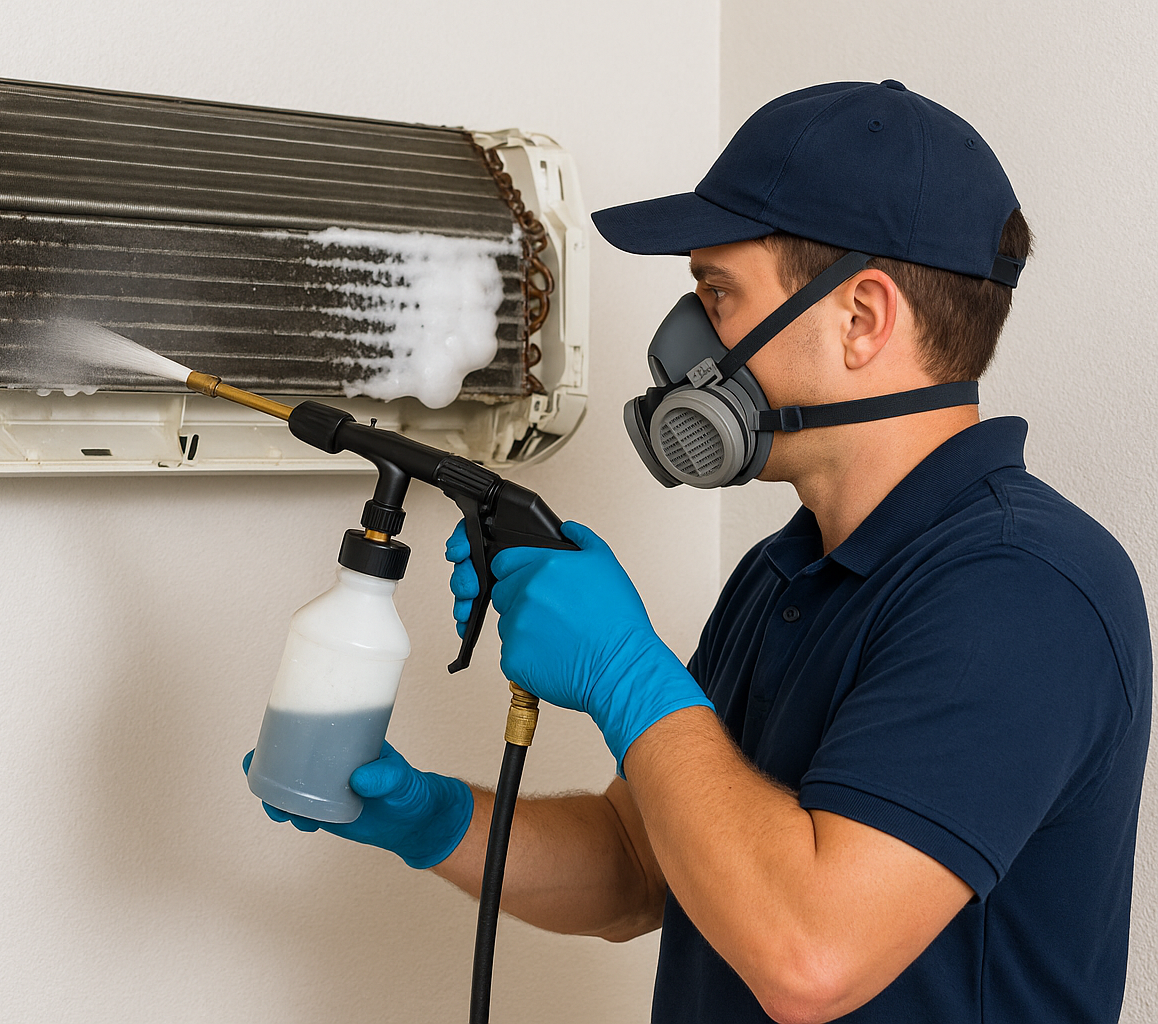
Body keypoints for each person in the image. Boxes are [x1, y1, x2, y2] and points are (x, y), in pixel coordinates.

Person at [249, 81, 1152, 1023]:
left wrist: (623, 668)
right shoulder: (786, 572)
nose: (687, 343)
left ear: (863, 319)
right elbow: (643, 868)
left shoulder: (1023, 589)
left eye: (717, 295)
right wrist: (433, 821)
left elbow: (811, 953)